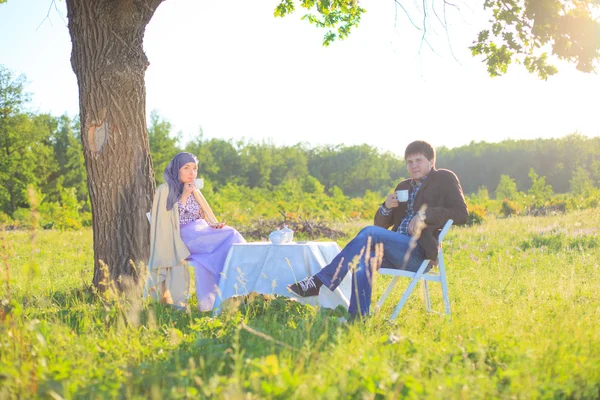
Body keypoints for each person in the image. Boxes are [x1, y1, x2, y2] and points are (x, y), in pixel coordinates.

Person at [287, 140, 468, 317]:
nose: (413, 166)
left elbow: (461, 213)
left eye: (418, 160)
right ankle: (358, 317)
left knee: (369, 232)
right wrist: (386, 207)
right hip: (395, 250)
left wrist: (425, 214)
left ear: (431, 161)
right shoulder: (403, 186)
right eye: (409, 162)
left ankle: (320, 281)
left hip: (419, 253)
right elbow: (380, 226)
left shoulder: (444, 178)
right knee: (363, 261)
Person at [144, 152, 245, 311]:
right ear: (177, 169)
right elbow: (167, 222)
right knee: (231, 235)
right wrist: (184, 195)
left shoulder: (195, 190)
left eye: (195, 168)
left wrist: (213, 226)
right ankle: (236, 286)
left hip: (200, 232)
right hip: (182, 237)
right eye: (187, 168)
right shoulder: (165, 190)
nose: (192, 173)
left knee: (230, 233)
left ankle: (237, 286)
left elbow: (201, 217)